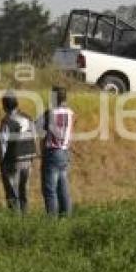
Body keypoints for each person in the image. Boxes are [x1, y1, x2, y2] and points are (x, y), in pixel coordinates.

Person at [36, 86, 76, 217]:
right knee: (63, 187)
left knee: (50, 190)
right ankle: (66, 216)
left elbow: (35, 126)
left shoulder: (50, 113)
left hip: (52, 152)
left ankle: (52, 221)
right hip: (65, 151)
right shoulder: (71, 113)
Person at [0, 92, 37, 213]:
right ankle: (25, 218)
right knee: (24, 192)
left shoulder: (6, 122)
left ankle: (15, 220)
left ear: (4, 106)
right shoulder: (28, 118)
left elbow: (2, 145)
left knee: (12, 194)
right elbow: (34, 137)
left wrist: (0, 162)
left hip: (13, 161)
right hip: (28, 159)